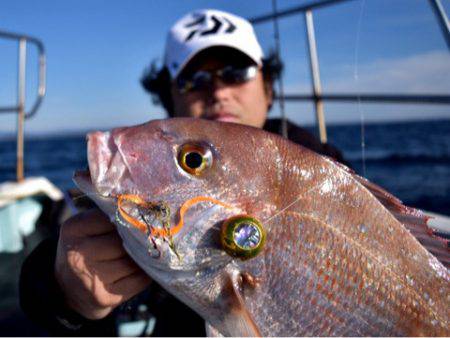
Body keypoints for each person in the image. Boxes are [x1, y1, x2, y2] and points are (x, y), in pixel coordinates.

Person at [20, 9, 347, 336]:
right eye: (196, 80)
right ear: (169, 96)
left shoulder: (331, 172)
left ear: (269, 88)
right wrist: (64, 290)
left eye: (236, 72)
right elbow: (47, 285)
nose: (218, 92)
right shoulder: (138, 188)